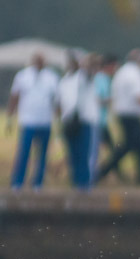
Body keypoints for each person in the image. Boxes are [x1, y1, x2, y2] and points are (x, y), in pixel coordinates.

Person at [97, 49, 140, 185]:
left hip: (123, 114)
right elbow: (139, 95)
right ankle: (102, 172)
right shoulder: (134, 73)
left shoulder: (123, 72)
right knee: (129, 146)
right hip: (131, 115)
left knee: (137, 146)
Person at [7, 52, 59, 190]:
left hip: (45, 121)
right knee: (24, 152)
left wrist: (58, 119)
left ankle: (38, 183)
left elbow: (56, 100)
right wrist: (10, 117)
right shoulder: (22, 76)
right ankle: (17, 182)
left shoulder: (52, 77)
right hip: (28, 120)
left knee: (42, 155)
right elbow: (15, 96)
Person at [56, 51, 95, 190]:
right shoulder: (64, 80)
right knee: (72, 154)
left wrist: (86, 62)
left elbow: (90, 70)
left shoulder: (83, 77)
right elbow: (59, 102)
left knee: (83, 153)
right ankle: (75, 182)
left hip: (83, 121)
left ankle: (84, 184)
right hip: (68, 121)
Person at [93, 54, 122, 180]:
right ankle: (102, 174)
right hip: (98, 121)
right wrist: (112, 99)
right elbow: (97, 99)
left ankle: (108, 173)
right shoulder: (100, 79)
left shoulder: (104, 79)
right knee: (111, 150)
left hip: (102, 121)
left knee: (110, 149)